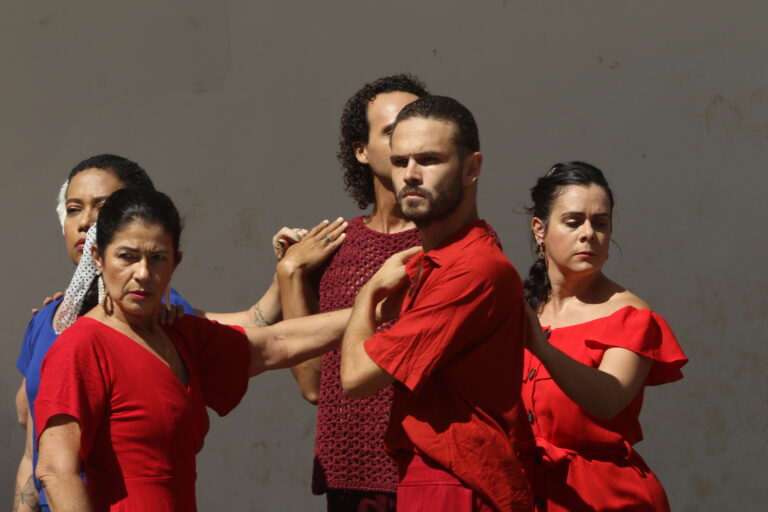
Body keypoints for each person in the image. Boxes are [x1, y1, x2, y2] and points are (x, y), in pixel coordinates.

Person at [33, 188, 350, 511]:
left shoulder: (179, 334)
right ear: (99, 258)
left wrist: (379, 308)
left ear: (176, 263)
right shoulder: (81, 346)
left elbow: (276, 343)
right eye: (127, 257)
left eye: (157, 258)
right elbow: (56, 472)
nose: (143, 273)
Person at [339, 96, 532, 511]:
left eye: (428, 160)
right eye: (400, 160)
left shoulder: (471, 269)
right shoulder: (434, 262)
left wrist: (367, 296)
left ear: (471, 168)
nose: (409, 175)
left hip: (456, 481)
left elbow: (356, 378)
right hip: (433, 476)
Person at [13, 155, 194, 512]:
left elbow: (257, 340)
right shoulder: (46, 319)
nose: (86, 222)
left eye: (104, 207)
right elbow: (32, 450)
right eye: (73, 209)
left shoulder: (165, 317)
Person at [280, 74, 427, 510]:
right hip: (352, 478)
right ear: (360, 150)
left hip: (429, 472)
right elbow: (313, 386)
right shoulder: (338, 247)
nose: (407, 144)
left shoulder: (451, 245)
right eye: (391, 131)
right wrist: (292, 273)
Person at [520, 161, 688, 511]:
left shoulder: (630, 316)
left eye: (600, 223)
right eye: (573, 221)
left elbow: (609, 399)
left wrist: (542, 348)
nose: (588, 234)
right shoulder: (522, 309)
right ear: (540, 229)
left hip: (605, 499)